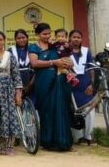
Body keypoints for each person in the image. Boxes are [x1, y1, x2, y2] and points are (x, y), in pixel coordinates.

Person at [28, 23, 73, 151]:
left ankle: (63, 142)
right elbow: (34, 63)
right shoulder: (34, 47)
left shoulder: (55, 46)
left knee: (61, 110)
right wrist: (54, 62)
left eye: (49, 33)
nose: (47, 36)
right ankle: (47, 141)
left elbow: (66, 59)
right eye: (44, 34)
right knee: (46, 111)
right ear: (37, 34)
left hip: (60, 81)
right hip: (44, 82)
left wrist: (68, 63)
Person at [69, 30, 95, 145]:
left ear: (81, 39)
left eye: (78, 37)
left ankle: (88, 136)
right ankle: (78, 137)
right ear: (70, 38)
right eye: (74, 37)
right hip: (72, 85)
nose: (76, 39)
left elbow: (91, 68)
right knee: (74, 110)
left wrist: (92, 84)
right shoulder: (66, 51)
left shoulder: (86, 51)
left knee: (89, 110)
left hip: (85, 84)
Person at [9, 29, 35, 103]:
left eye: (23, 38)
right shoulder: (10, 51)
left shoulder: (33, 49)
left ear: (27, 38)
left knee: (31, 104)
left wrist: (30, 85)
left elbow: (36, 69)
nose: (21, 40)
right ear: (15, 39)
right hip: (14, 83)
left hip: (31, 82)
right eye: (18, 38)